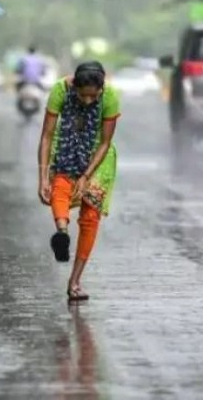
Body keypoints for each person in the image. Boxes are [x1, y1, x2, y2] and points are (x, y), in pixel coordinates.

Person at [37, 61, 120, 302]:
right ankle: (61, 232)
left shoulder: (111, 97)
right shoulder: (59, 91)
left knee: (90, 217)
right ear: (74, 86)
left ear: (101, 89)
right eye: (82, 96)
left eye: (92, 96)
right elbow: (47, 135)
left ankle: (74, 281)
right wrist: (43, 176)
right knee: (59, 187)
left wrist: (86, 176)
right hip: (66, 147)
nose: (87, 101)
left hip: (98, 158)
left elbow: (105, 142)